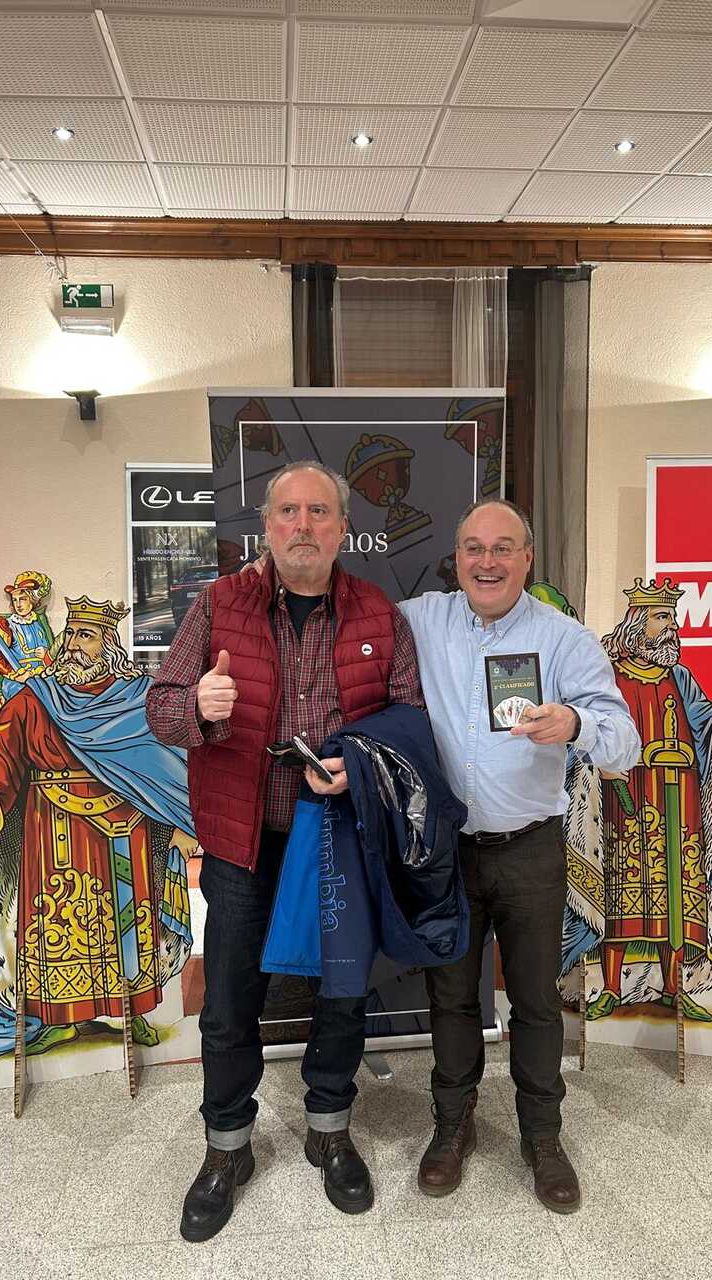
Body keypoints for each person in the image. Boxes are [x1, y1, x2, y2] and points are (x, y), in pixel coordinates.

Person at [145, 460, 423, 1243]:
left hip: (339, 840)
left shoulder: (378, 613)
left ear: (343, 528)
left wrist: (362, 765)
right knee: (231, 1002)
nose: (304, 525)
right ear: (267, 525)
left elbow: (409, 717)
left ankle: (329, 1130)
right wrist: (199, 706)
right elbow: (159, 707)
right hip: (242, 846)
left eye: (320, 512)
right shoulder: (217, 606)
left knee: (341, 993)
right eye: (289, 511)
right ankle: (227, 1147)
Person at [396, 499, 640, 1213]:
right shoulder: (422, 620)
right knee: (450, 997)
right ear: (456, 559)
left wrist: (576, 721)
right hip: (447, 852)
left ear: (527, 558)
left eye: (504, 548)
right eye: (474, 548)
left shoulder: (564, 640)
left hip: (530, 849)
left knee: (535, 1001)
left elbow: (624, 743)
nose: (488, 561)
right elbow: (346, 623)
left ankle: (543, 1136)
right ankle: (452, 1125)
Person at [0, 596, 196, 1062]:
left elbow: (170, 763)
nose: (71, 645)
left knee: (129, 930)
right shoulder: (35, 700)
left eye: (84, 636)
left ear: (109, 644)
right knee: (56, 930)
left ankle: (128, 1011)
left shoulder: (140, 698)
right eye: (69, 634)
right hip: (51, 836)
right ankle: (56, 1021)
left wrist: (181, 820)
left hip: (127, 836)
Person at [583, 577, 712, 1023]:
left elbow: (702, 717)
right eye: (663, 617)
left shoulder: (678, 676)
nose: (672, 626)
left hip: (679, 804)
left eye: (673, 618)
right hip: (626, 799)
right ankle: (610, 988)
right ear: (638, 623)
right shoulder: (608, 675)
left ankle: (673, 988)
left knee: (677, 899)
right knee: (620, 895)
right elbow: (590, 727)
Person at [0, 570, 55, 705]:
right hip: (17, 681)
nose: (18, 604)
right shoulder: (5, 625)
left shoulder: (40, 623)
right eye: (15, 600)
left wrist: (46, 654)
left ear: (33, 600)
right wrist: (14, 675)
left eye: (23, 599)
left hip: (42, 678)